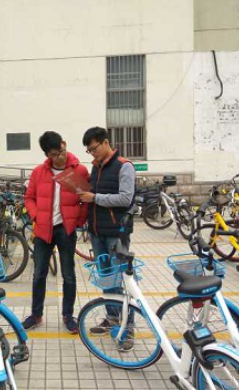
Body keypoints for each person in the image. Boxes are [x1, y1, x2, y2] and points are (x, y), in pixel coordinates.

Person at [23, 132, 89, 334]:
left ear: (64, 144)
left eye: (61, 151)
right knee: (39, 274)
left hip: (66, 230)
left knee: (68, 274)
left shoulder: (79, 170)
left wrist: (78, 221)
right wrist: (36, 216)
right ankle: (36, 314)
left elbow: (85, 200)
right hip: (43, 229)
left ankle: (68, 315)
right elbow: (29, 198)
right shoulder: (39, 172)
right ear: (47, 154)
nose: (59, 157)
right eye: (54, 154)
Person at [78, 127, 136, 350]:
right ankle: (112, 318)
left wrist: (94, 197)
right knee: (106, 279)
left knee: (122, 281)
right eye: (89, 151)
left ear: (105, 142)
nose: (92, 153)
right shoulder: (96, 167)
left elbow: (125, 198)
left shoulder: (124, 166)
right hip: (97, 232)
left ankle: (128, 328)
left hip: (116, 234)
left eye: (94, 148)